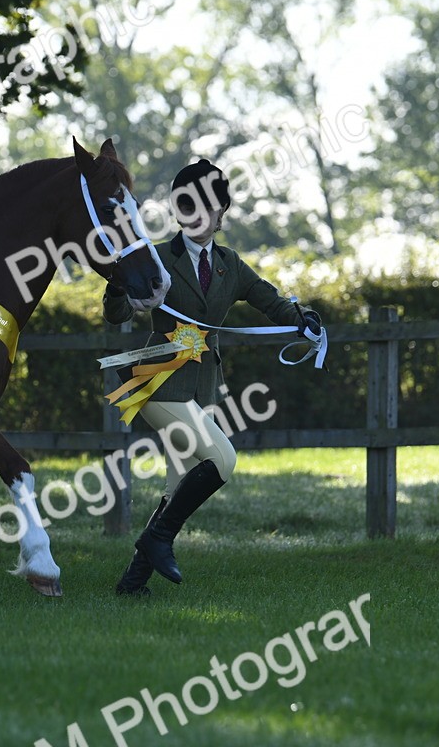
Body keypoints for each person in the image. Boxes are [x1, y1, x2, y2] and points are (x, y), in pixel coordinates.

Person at [103, 158, 321, 596]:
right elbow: (118, 315)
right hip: (158, 382)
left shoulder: (230, 264)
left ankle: (133, 581)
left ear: (222, 211)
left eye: (207, 203)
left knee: (177, 483)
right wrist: (115, 288)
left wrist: (303, 320)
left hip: (201, 390)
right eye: (186, 202)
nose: (197, 212)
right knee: (223, 459)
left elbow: (270, 301)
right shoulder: (159, 257)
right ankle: (159, 539)